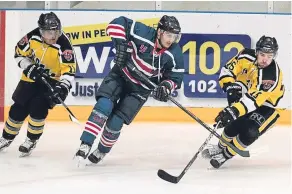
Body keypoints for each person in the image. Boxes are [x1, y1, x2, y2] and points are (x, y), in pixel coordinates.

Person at [75, 15, 185, 164]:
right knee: (104, 105)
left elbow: (176, 77)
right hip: (121, 74)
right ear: (159, 32)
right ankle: (85, 144)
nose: (171, 40)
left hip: (140, 90)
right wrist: (121, 45)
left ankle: (101, 150)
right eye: (169, 35)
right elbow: (117, 23)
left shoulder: (174, 53)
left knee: (116, 122)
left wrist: (166, 86)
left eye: (174, 36)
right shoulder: (143, 33)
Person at [201, 35, 285, 168]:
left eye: (270, 56)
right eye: (263, 54)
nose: (265, 60)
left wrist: (233, 111)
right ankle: (220, 146)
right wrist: (229, 85)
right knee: (235, 123)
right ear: (257, 52)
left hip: (267, 106)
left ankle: (226, 155)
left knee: (250, 131)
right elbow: (227, 70)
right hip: (248, 97)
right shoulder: (245, 55)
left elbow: (253, 101)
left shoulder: (270, 76)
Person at [0, 12, 76, 157]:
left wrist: (63, 87)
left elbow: (69, 69)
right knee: (18, 109)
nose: (53, 35)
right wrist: (29, 67)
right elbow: (18, 54)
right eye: (49, 32)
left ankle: (31, 139)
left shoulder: (64, 45)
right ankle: (6, 137)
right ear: (41, 31)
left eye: (56, 31)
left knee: (38, 108)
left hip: (51, 82)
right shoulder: (31, 37)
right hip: (30, 78)